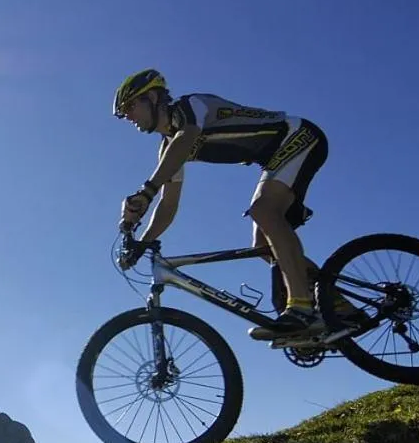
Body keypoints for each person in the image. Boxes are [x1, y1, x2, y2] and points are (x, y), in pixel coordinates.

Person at [112, 68, 335, 341]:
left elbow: (186, 138)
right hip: (276, 156)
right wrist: (142, 243)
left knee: (264, 209)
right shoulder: (169, 147)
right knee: (264, 248)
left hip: (297, 135)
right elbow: (168, 205)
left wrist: (145, 192)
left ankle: (302, 308)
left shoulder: (190, 107)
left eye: (130, 105)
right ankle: (336, 305)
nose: (128, 116)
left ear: (154, 97)